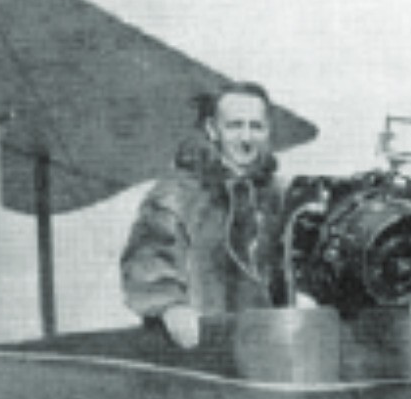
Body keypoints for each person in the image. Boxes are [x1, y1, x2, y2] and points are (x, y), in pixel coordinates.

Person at [120, 81, 288, 349]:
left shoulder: (280, 196)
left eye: (256, 126)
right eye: (234, 126)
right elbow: (148, 256)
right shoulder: (176, 194)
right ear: (212, 129)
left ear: (268, 130)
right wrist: (170, 306)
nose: (246, 138)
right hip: (203, 345)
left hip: (270, 345)